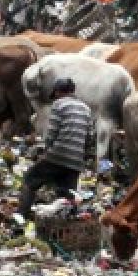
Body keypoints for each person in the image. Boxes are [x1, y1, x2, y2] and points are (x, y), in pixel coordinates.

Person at [17, 78, 93, 218]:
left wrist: (46, 153)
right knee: (67, 194)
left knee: (30, 179)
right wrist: (80, 155)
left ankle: (21, 216)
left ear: (58, 92)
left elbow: (51, 134)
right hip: (76, 160)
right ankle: (67, 223)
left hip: (58, 154)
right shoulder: (86, 109)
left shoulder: (59, 104)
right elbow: (89, 137)